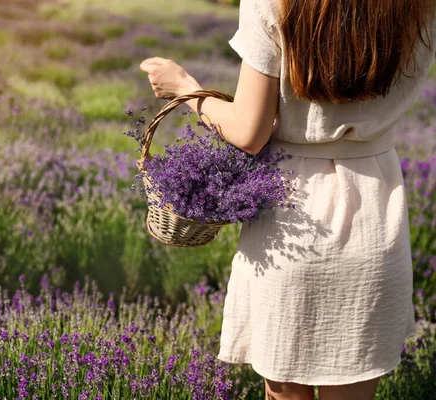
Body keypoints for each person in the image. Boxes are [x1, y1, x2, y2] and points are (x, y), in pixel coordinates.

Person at [139, 0, 436, 399]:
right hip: (375, 213)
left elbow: (249, 131)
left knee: (285, 392)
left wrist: (185, 89)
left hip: (290, 219)